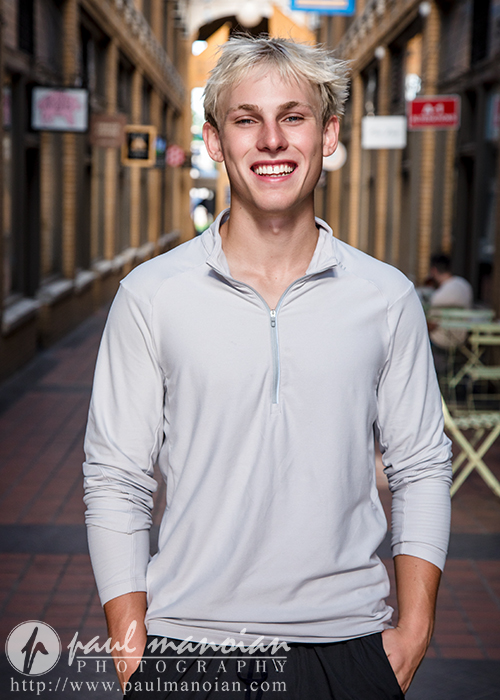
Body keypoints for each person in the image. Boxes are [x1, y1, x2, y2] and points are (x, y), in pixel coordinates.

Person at [83, 36, 452, 700]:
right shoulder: (152, 294)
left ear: (329, 133)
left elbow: (421, 463)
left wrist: (413, 630)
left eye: (294, 116)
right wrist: (131, 644)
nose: (272, 140)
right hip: (187, 646)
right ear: (217, 142)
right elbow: (116, 477)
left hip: (347, 648)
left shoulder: (386, 297)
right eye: (247, 119)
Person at [427, 253, 474, 350]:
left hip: (440, 340)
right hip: (461, 339)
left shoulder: (439, 296)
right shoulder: (465, 285)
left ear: (434, 270)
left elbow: (431, 324)